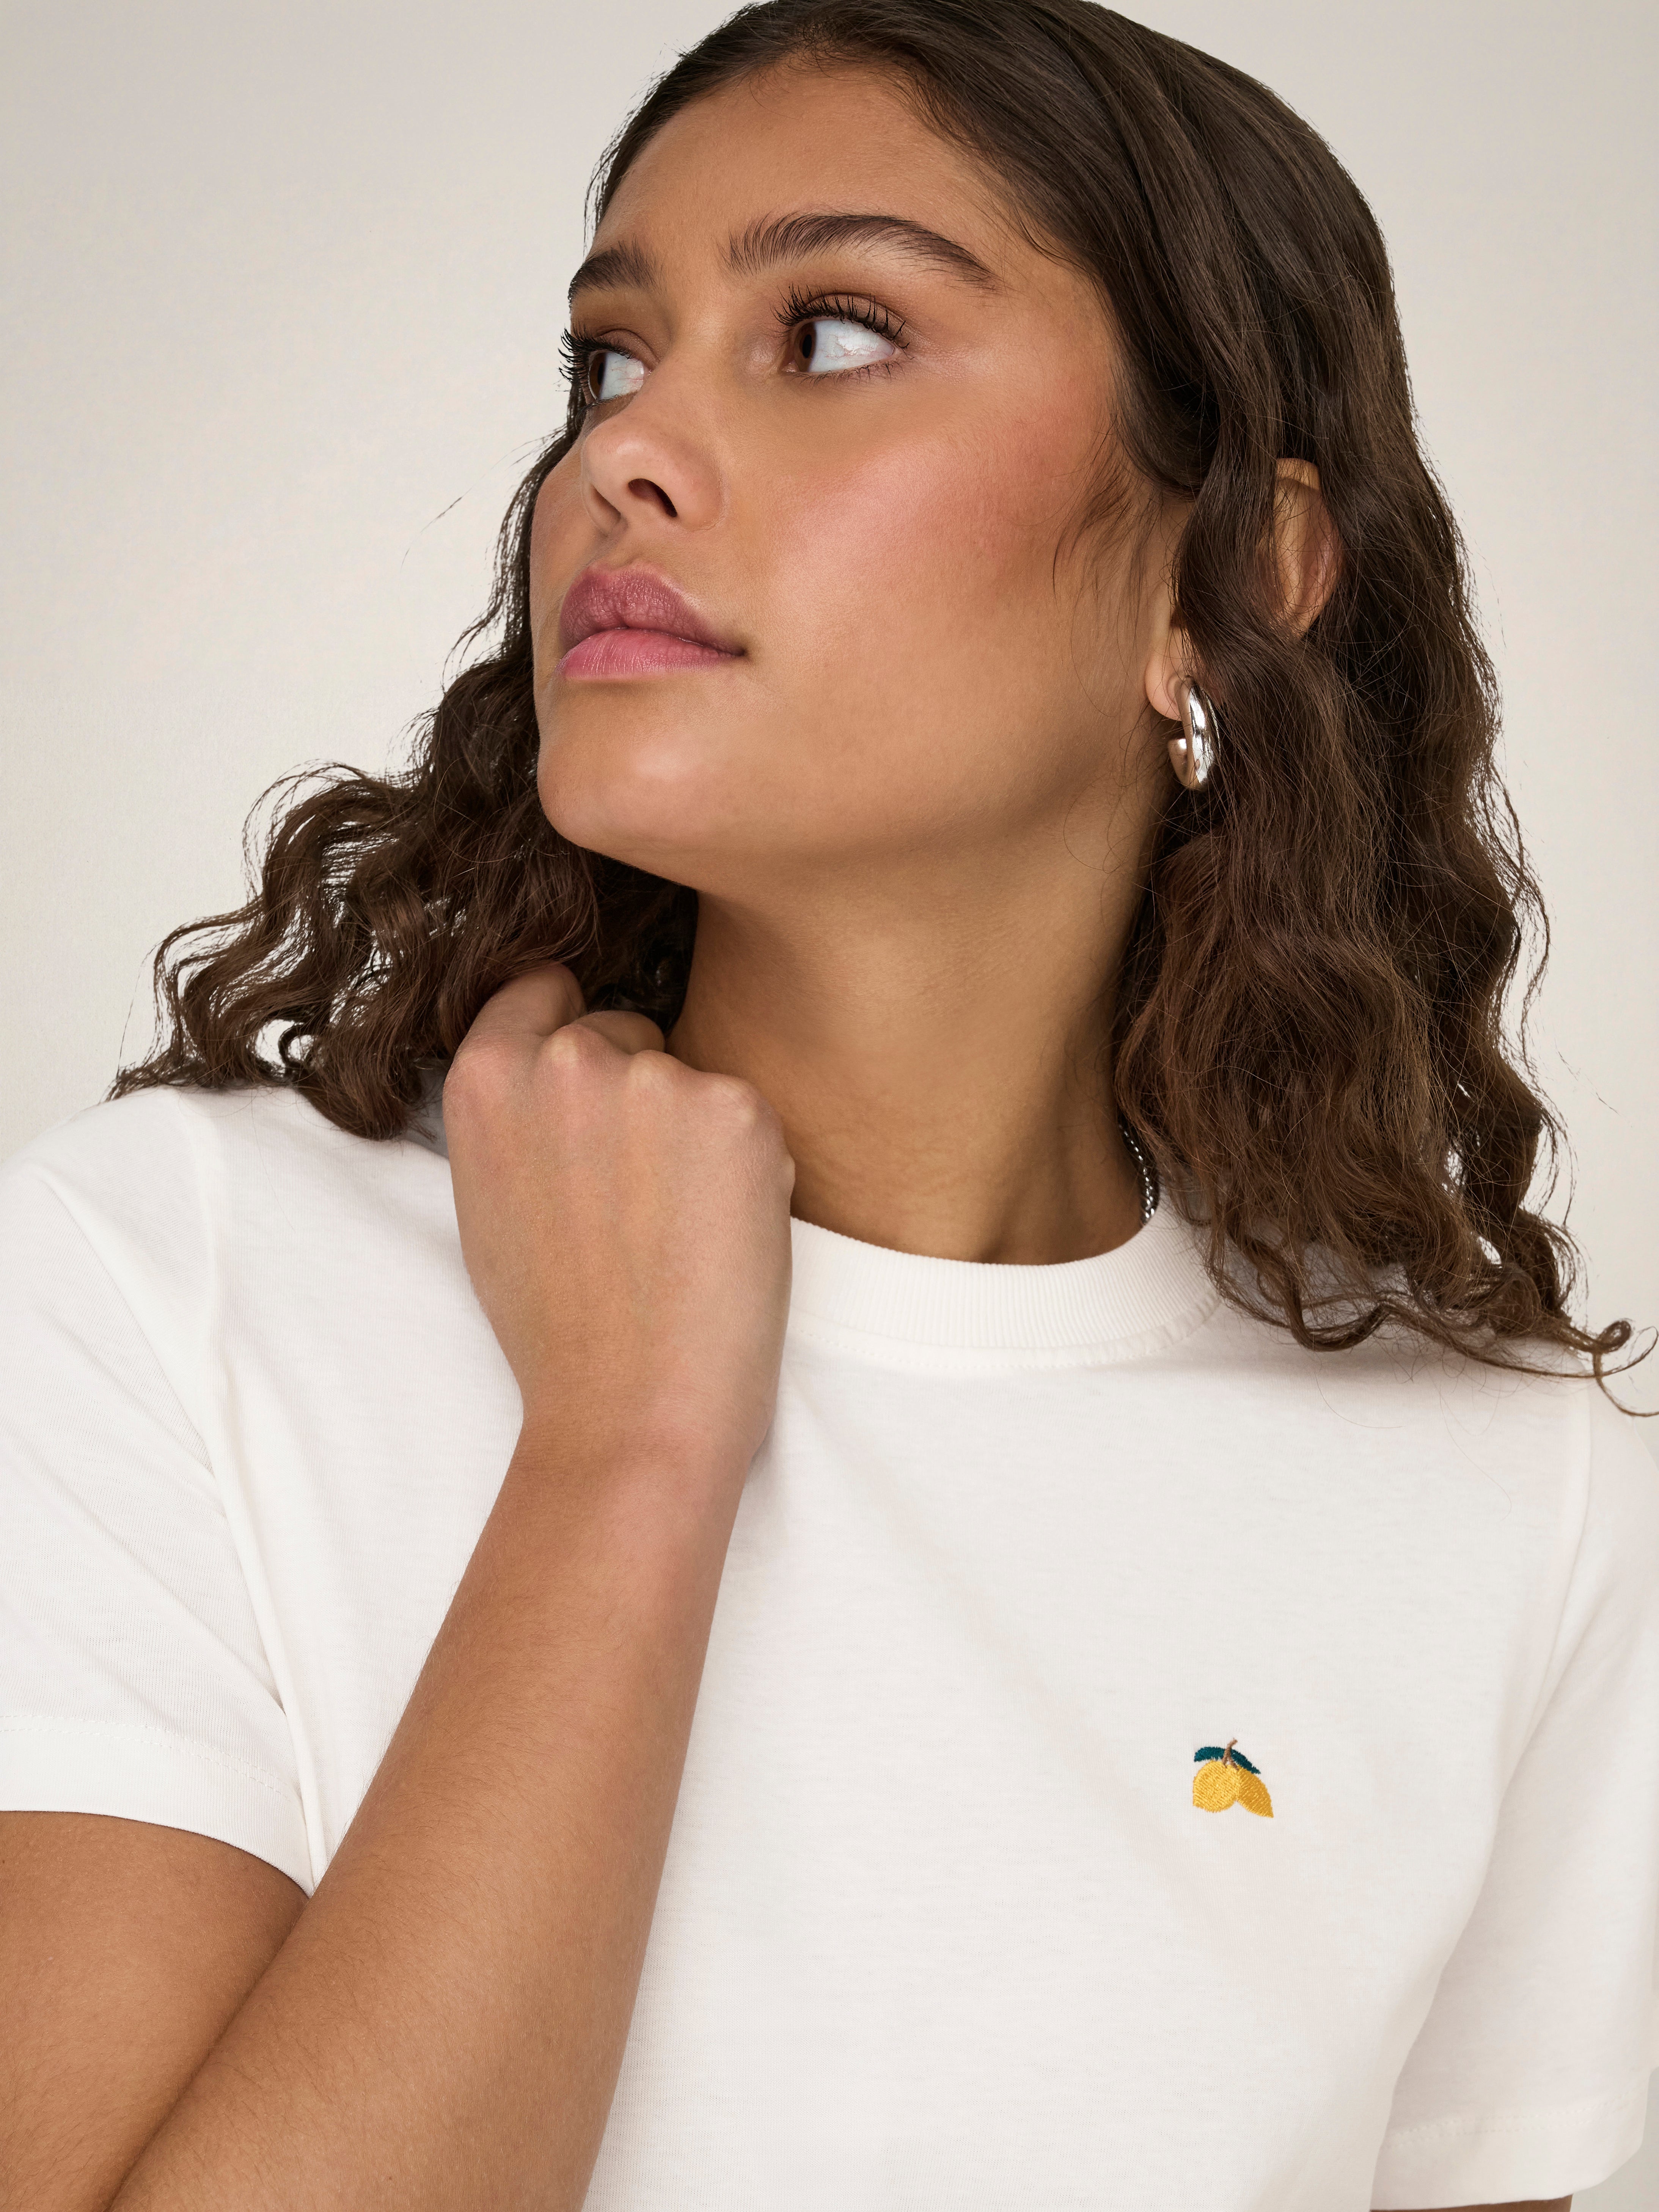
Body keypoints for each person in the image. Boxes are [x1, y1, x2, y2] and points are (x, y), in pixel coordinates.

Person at [2, 3, 1654, 2207]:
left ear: (1233, 577)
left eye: (836, 332)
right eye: (611, 355)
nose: (628, 452)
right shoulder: (174, 1282)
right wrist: (623, 1454)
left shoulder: (1510, 1492)